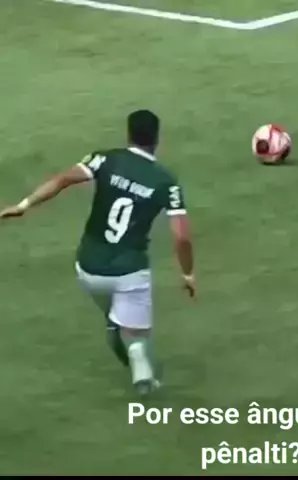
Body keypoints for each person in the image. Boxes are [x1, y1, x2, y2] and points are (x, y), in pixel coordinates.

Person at [0, 109, 195, 395]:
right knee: (138, 334)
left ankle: (121, 333)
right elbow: (181, 236)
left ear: (128, 134)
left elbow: (62, 180)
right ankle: (139, 360)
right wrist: (187, 273)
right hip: (130, 272)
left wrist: (24, 205)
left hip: (89, 267)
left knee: (114, 317)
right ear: (157, 138)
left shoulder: (105, 159)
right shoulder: (166, 182)